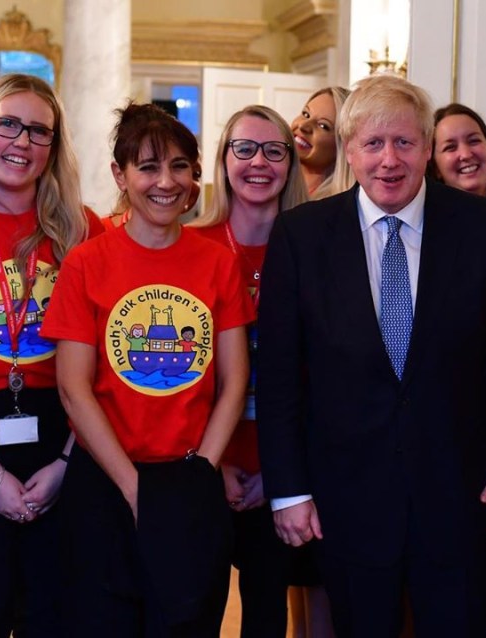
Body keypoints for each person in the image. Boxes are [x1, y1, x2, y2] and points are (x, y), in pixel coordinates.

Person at [256, 73, 486, 637]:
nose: (389, 160)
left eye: (404, 143)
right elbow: (282, 377)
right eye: (373, 144)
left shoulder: (485, 227)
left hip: (460, 497)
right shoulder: (301, 235)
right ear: (351, 152)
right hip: (345, 503)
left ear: (427, 149)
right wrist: (288, 490)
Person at [43, 102, 253, 636]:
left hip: (188, 478)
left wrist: (202, 470)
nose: (166, 182)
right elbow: (73, 389)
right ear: (120, 175)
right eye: (149, 166)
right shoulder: (86, 263)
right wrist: (134, 488)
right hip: (106, 483)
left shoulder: (216, 262)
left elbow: (233, 382)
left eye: (180, 166)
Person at [0, 73, 102, 637]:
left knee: (56, 613)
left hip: (67, 430)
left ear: (55, 147)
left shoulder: (85, 231)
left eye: (39, 131)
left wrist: (64, 463)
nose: (22, 141)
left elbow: (104, 363)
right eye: (7, 123)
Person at [190, 104, 309, 637]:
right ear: (223, 159)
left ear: (291, 163)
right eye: (244, 148)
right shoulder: (191, 247)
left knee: (266, 616)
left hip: (282, 470)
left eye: (274, 150)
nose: (259, 162)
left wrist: (282, 476)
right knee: (195, 611)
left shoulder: (316, 248)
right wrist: (210, 468)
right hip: (201, 463)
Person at [428, 103, 486, 201]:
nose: (466, 155)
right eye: (450, 147)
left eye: (474, 141)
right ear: (435, 167)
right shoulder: (421, 216)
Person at [291, 87, 353, 198]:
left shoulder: (333, 206)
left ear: (343, 146)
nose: (303, 126)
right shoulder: (274, 181)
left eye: (323, 126)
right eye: (306, 114)